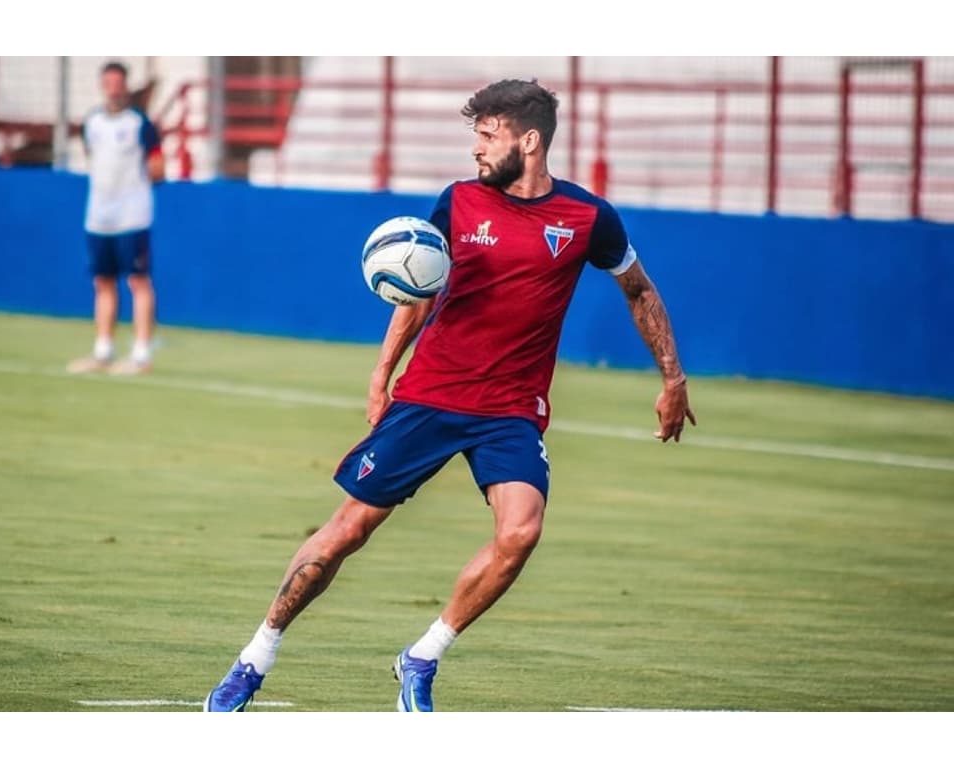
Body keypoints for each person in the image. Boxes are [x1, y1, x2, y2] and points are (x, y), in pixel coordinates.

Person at [204, 78, 696, 712]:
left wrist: (673, 379)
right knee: (347, 531)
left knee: (520, 534)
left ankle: (421, 657)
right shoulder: (458, 203)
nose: (476, 151)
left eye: (487, 137)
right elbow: (420, 292)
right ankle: (255, 657)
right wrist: (382, 376)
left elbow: (639, 290)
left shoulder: (587, 218)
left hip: (511, 412)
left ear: (530, 140)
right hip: (431, 396)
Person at [67, 60, 164, 376]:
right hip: (98, 216)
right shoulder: (92, 123)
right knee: (103, 281)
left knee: (137, 281)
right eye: (108, 83)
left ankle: (140, 354)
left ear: (126, 86)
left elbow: (158, 167)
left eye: (118, 83)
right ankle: (103, 350)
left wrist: (140, 182)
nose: (113, 89)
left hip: (132, 216)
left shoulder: (140, 124)